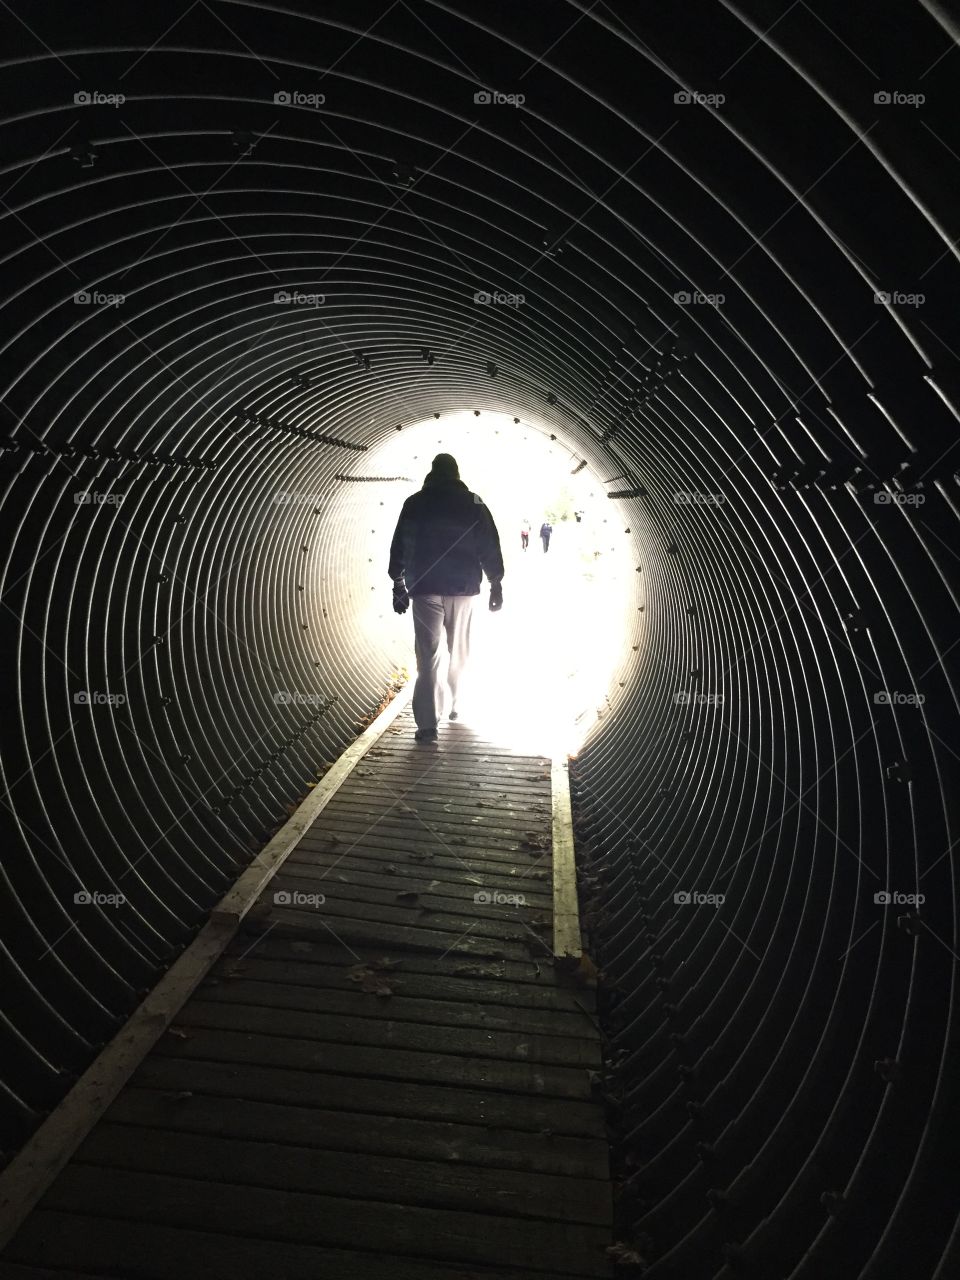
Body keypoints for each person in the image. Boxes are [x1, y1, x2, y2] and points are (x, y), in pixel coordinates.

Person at [389, 454, 504, 742]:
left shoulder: (414, 503)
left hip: (425, 587)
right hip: (462, 588)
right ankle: (456, 705)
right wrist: (496, 583)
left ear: (432, 472)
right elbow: (488, 544)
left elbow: (401, 542)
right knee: (459, 650)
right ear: (456, 474)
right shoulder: (474, 503)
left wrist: (398, 583)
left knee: (427, 656)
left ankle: (427, 725)